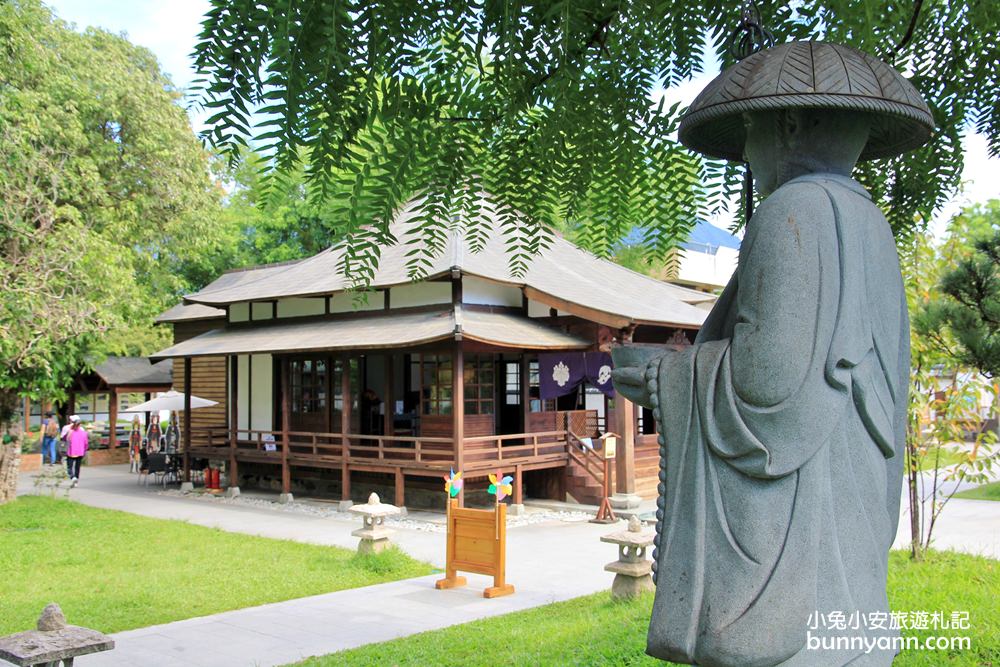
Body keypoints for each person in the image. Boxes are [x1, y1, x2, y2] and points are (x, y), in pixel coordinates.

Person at [612, 41, 933, 666]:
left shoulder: (794, 209)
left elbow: (766, 385)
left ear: (786, 123)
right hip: (851, 499)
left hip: (797, 529)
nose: (749, 153)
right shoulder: (870, 222)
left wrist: (668, 375)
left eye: (751, 131)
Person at [65, 415, 89, 487]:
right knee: (77, 467)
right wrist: (84, 450)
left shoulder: (70, 432)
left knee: (69, 467)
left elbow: (67, 440)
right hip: (80, 452)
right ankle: (76, 481)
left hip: (71, 452)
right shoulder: (84, 433)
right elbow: (86, 443)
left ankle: (73, 477)